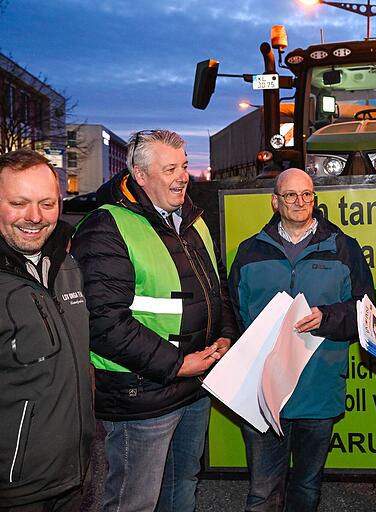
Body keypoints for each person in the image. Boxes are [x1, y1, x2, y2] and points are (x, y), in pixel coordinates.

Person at [71, 130, 237, 511]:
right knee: (134, 500)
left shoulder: (191, 219)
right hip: (141, 397)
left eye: (183, 166)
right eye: (170, 169)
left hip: (194, 385)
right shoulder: (106, 227)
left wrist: (225, 335)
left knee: (182, 487)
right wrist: (177, 364)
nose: (183, 176)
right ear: (141, 175)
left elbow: (217, 287)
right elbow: (103, 322)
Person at [228, 168, 375, 512]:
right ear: (274, 202)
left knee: (307, 488)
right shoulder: (249, 251)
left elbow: (367, 313)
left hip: (318, 388)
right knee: (262, 491)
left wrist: (328, 317)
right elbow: (231, 314)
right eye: (290, 195)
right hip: (263, 391)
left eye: (307, 194)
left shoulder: (343, 248)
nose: (300, 201)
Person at [0, 149, 94, 511]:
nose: (35, 217)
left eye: (46, 203)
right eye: (19, 203)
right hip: (15, 489)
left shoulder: (66, 264)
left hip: (72, 476)